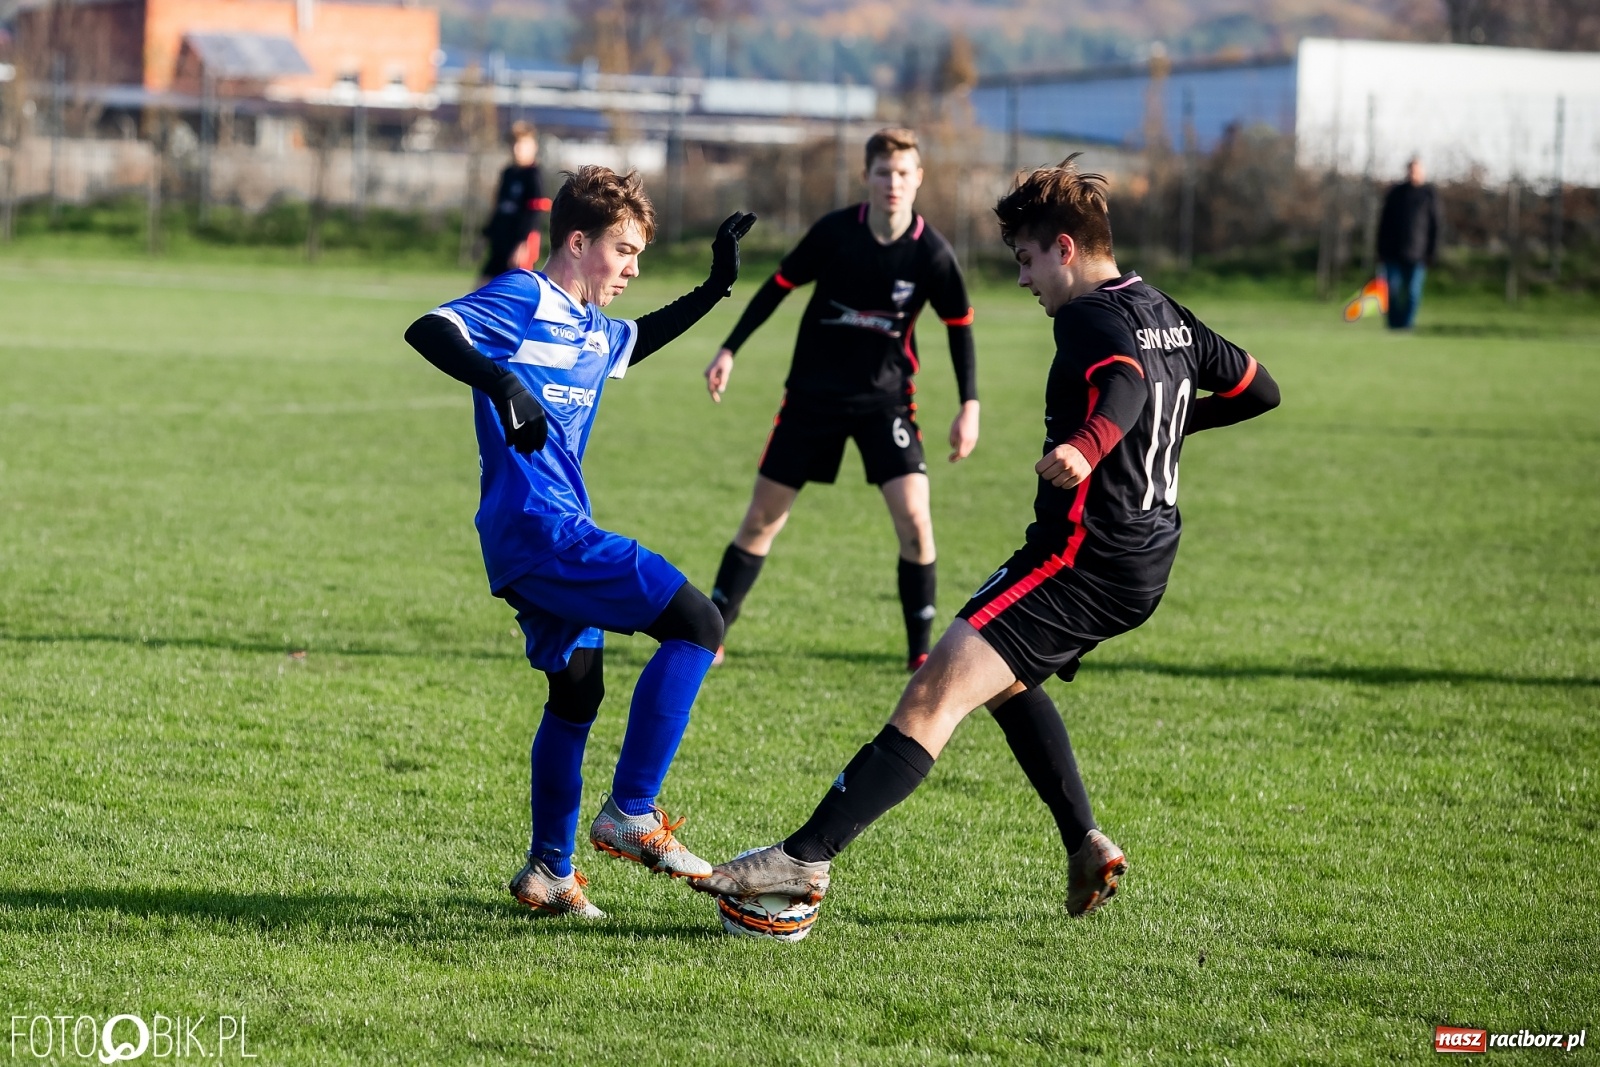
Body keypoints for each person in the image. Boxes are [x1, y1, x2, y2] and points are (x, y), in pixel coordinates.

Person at [692, 155, 1281, 918]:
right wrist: (1167, 425)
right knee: (1006, 679)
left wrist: (1094, 443)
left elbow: (1128, 387)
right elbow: (1257, 388)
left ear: (1065, 248)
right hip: (1142, 556)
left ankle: (804, 859)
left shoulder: (1088, 316)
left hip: (1082, 558)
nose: (1023, 277)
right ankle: (1084, 841)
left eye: (1027, 258)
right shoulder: (1164, 309)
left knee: (935, 690)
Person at [405, 165, 757, 919]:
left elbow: (641, 339)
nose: (632, 268)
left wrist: (714, 288)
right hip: (542, 529)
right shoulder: (525, 296)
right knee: (699, 621)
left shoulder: (594, 327)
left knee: (577, 691)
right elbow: (430, 329)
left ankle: (549, 873)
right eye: (624, 251)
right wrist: (501, 383)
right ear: (576, 240)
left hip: (541, 532)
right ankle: (632, 809)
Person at [702, 127, 980, 673]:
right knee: (762, 517)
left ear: (918, 179)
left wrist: (969, 403)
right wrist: (730, 348)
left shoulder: (933, 255)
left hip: (885, 403)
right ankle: (712, 631)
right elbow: (777, 286)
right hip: (812, 399)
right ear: (866, 177)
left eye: (903, 173)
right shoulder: (834, 233)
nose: (893, 183)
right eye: (883, 172)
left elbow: (960, 327)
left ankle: (919, 651)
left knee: (916, 522)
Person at [478, 121, 551, 285]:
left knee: (516, 290)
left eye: (522, 144)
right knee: (481, 289)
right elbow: (499, 207)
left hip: (520, 243)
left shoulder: (533, 175)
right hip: (501, 241)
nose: (517, 149)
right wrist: (486, 234)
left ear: (533, 146)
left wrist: (523, 242)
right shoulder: (508, 173)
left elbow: (536, 211)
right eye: (514, 144)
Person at [1376, 157, 1441, 331]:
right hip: (1392, 253)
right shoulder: (1396, 193)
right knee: (1393, 292)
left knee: (1413, 292)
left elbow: (1435, 226)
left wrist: (1431, 253)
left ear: (1422, 172)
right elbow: (1384, 224)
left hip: (1417, 254)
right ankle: (1393, 324)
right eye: (1411, 170)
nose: (1413, 173)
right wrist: (1380, 251)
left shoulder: (1429, 195)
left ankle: (1407, 325)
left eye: (1417, 170)